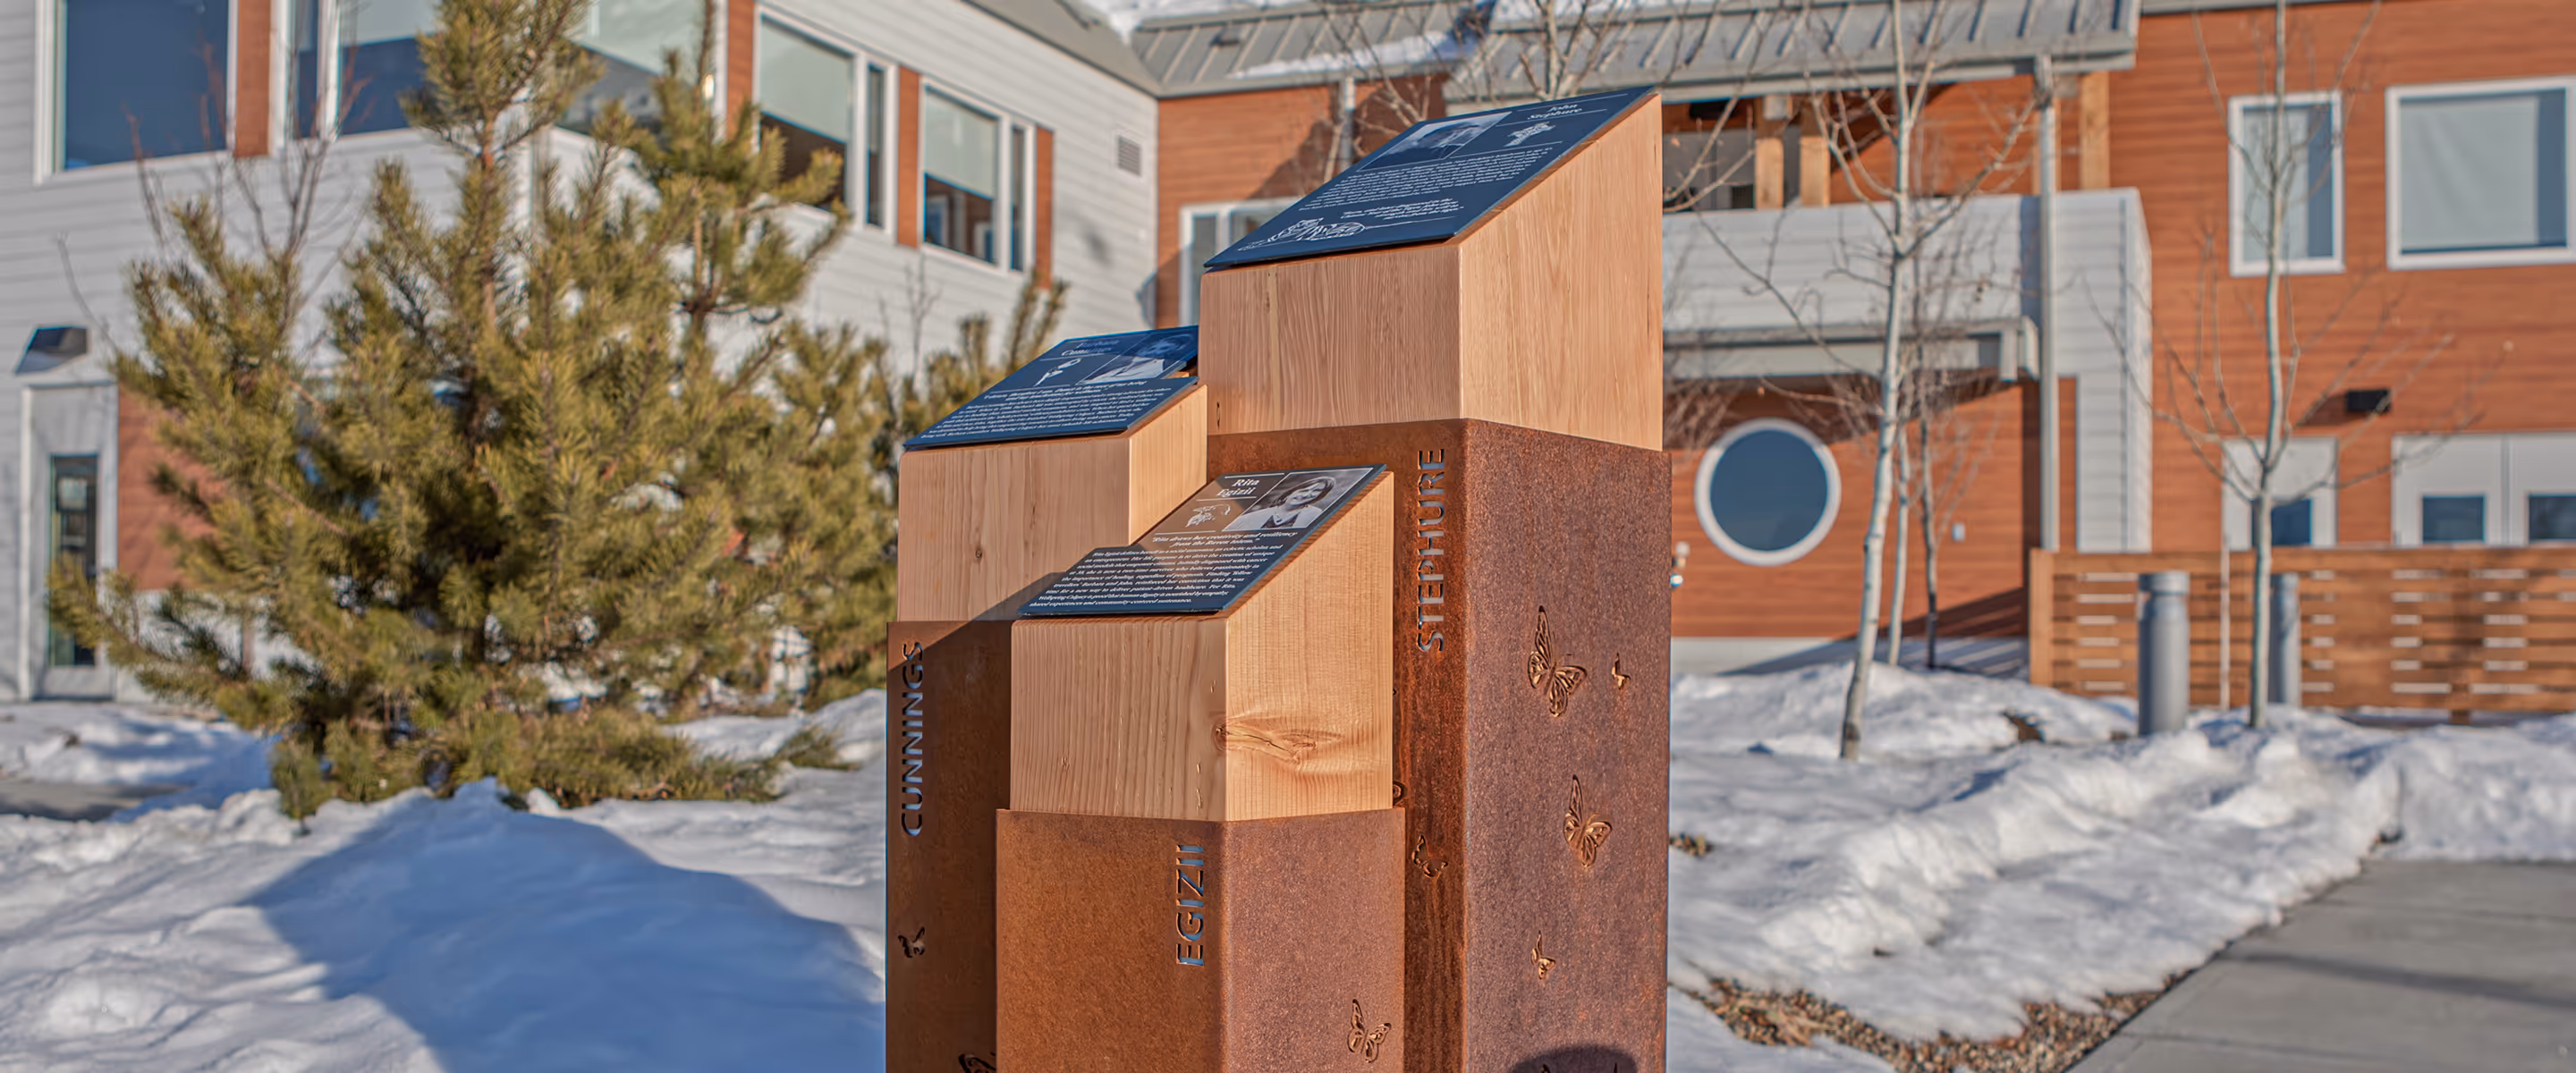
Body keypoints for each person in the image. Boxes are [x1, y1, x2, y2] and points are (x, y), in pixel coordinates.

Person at [1225, 475, 1338, 531]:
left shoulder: (1314, 514)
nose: (1306, 495)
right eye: (1304, 490)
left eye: (1316, 492)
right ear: (1292, 491)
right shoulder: (1255, 516)